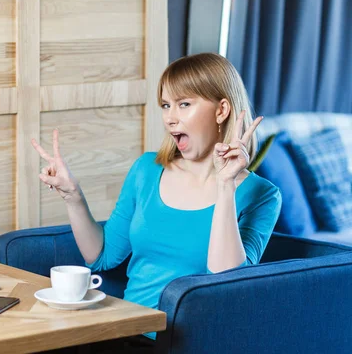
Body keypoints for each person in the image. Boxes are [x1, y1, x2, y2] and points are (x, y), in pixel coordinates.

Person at [31, 53, 282, 353]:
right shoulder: (146, 170)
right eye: (166, 105)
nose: (170, 117)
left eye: (184, 104)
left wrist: (225, 183)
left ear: (221, 110)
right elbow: (102, 257)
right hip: (125, 332)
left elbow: (227, 282)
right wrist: (72, 195)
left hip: (195, 343)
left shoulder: (262, 195)